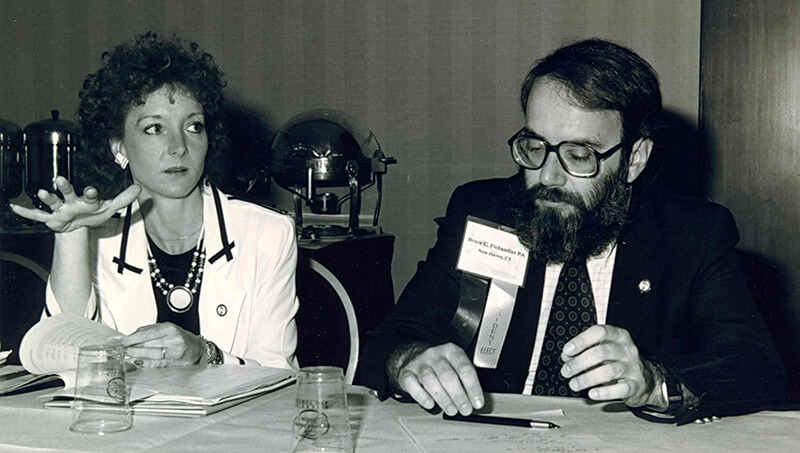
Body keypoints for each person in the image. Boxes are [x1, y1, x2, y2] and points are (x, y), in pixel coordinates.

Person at [361, 38, 786, 424]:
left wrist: (655, 383)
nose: (548, 176)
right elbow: (391, 339)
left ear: (634, 158)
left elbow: (756, 367)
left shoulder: (694, 233)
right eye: (534, 146)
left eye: (579, 154)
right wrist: (409, 360)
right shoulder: (484, 211)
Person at [10, 32, 299, 369]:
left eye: (193, 126)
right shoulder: (98, 237)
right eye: (154, 129)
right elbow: (64, 359)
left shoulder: (267, 234)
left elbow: (279, 377)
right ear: (119, 147)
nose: (178, 146)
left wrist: (205, 355)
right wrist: (72, 237)